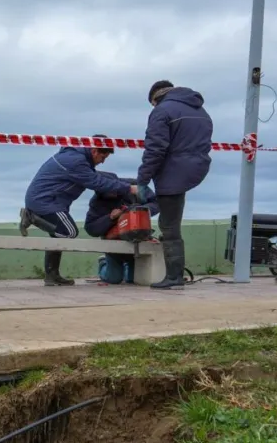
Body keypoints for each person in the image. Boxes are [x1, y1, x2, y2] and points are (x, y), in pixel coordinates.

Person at [19, 135, 147, 286]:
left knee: (57, 235)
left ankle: (51, 275)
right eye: (103, 157)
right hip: (45, 202)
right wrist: (129, 188)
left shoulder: (76, 158)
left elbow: (98, 177)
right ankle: (31, 217)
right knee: (69, 232)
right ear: (94, 151)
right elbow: (96, 182)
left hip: (51, 201)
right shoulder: (76, 161)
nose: (103, 162)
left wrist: (123, 183)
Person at [136, 80, 214, 290]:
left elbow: (155, 149)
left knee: (169, 226)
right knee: (172, 218)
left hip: (174, 170)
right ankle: (174, 274)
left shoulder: (161, 111)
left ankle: (174, 277)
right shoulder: (200, 110)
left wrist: (142, 180)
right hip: (197, 167)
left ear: (155, 98)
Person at [84, 173, 159, 284]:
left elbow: (156, 203)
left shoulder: (134, 186)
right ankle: (103, 263)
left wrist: (134, 212)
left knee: (133, 279)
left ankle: (127, 269)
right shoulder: (96, 202)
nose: (112, 193)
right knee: (113, 279)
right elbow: (91, 228)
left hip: (137, 238)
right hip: (114, 240)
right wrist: (110, 218)